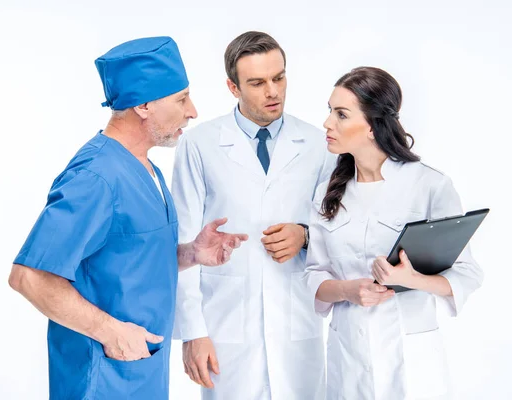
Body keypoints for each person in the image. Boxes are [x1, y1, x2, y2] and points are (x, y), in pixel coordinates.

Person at [7, 36, 248, 400]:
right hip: (102, 379)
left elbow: (128, 257)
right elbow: (30, 276)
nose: (193, 111)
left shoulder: (146, 168)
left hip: (141, 373)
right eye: (181, 99)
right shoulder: (96, 177)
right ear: (145, 105)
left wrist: (190, 254)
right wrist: (109, 331)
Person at [171, 31, 335, 400]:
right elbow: (182, 244)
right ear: (233, 87)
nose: (273, 92)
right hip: (226, 324)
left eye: (279, 78)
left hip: (296, 322)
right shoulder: (200, 144)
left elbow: (337, 230)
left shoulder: (317, 144)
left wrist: (305, 235)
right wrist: (194, 331)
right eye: (257, 83)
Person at [304, 66, 484, 399]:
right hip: (349, 361)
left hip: (412, 361)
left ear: (373, 126)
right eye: (329, 111)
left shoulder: (429, 185)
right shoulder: (327, 194)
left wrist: (411, 279)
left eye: (341, 114)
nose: (328, 123)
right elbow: (313, 277)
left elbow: (467, 275)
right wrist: (346, 290)